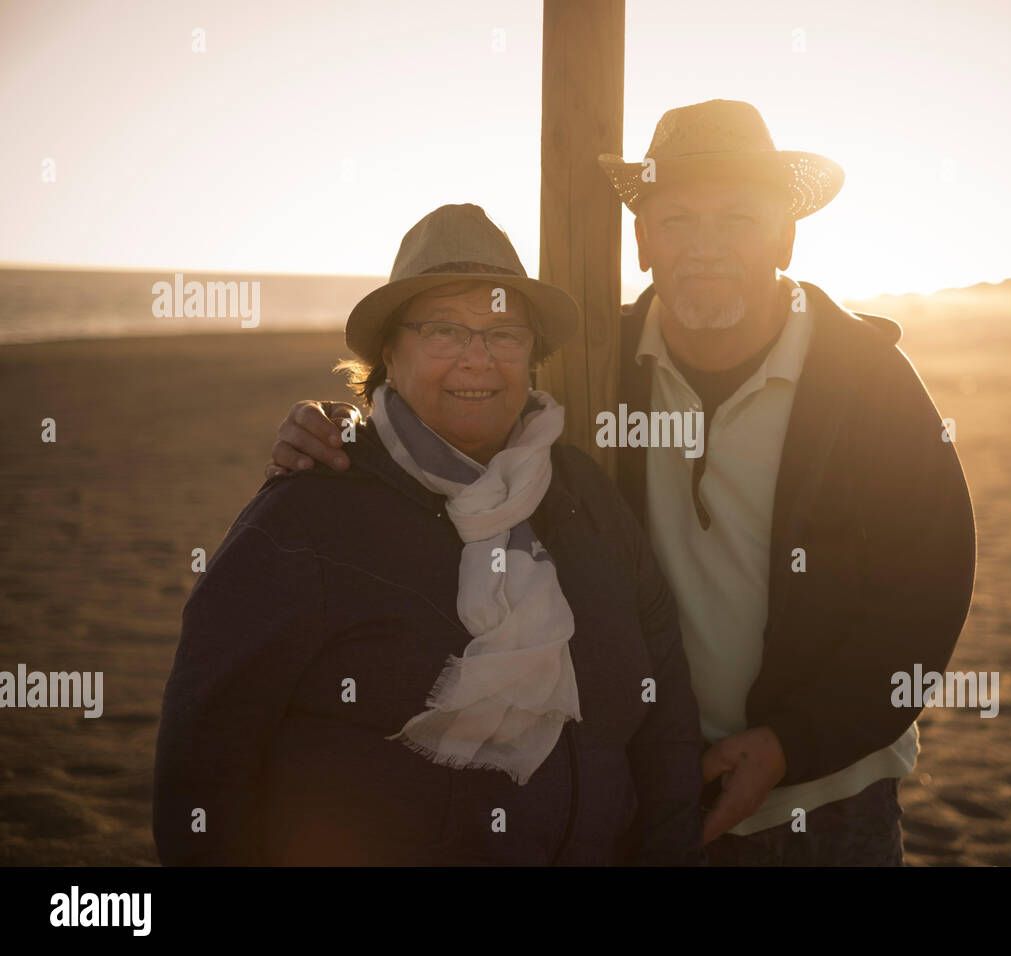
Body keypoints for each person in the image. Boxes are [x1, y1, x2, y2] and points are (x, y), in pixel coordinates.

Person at [265, 101, 978, 866]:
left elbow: (928, 591)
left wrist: (793, 744)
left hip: (830, 798)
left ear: (785, 236)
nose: (705, 248)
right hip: (649, 783)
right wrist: (347, 432)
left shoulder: (866, 380)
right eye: (677, 221)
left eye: (737, 218)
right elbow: (458, 428)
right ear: (641, 240)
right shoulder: (592, 369)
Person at [154, 203, 705, 866]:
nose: (478, 358)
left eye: (504, 333)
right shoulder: (306, 514)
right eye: (445, 330)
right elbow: (206, 762)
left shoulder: (583, 495)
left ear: (532, 354)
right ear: (390, 350)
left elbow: (664, 707)